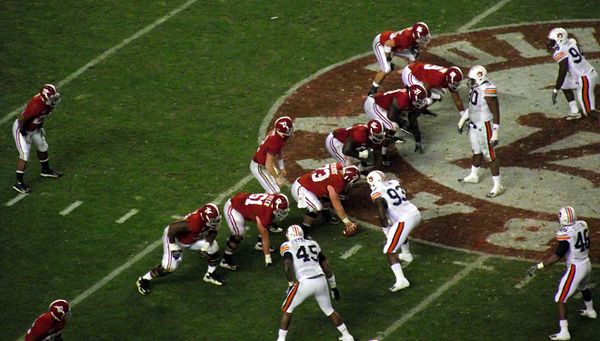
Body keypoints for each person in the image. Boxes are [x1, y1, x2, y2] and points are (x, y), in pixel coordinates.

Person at [527, 206, 596, 340]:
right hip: (586, 262)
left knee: (560, 298)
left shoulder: (566, 233)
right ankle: (590, 311)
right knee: (583, 286)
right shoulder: (583, 224)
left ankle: (564, 332)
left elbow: (557, 256)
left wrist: (539, 266)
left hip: (576, 267)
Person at [276, 225, 354, 341]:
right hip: (321, 280)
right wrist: (333, 286)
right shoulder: (313, 243)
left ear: (288, 235)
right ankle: (347, 336)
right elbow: (325, 266)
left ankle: (281, 339)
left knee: (287, 309)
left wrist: (291, 284)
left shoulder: (286, 245)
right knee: (329, 310)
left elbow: (287, 268)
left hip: (305, 282)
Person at [136, 203, 225, 295]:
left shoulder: (209, 220)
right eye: (213, 220)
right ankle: (144, 279)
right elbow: (172, 229)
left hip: (192, 238)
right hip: (175, 239)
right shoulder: (195, 222)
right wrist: (172, 246)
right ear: (205, 218)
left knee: (213, 247)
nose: (215, 221)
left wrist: (206, 246)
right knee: (169, 267)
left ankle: (210, 275)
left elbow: (213, 231)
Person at [367, 171, 421, 292]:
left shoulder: (377, 192)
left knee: (389, 250)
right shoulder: (394, 182)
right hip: (414, 213)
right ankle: (406, 254)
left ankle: (401, 280)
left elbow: (381, 215)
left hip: (405, 219)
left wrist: (386, 231)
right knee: (398, 230)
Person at [457, 65, 503, 198]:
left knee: (490, 156)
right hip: (474, 124)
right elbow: (472, 107)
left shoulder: (488, 89)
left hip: (484, 125)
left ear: (480, 77)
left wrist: (495, 131)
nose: (469, 81)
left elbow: (496, 111)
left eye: (471, 79)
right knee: (476, 151)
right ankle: (474, 175)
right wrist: (462, 121)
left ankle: (498, 185)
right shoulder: (475, 88)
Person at [12, 84, 62, 194]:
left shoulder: (48, 105)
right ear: (44, 97)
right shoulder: (35, 105)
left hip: (34, 128)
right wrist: (24, 133)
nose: (53, 99)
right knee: (24, 154)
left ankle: (45, 170)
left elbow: (41, 117)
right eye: (51, 98)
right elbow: (22, 120)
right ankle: (19, 183)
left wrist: (40, 127)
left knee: (43, 146)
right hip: (21, 129)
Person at [220, 192, 290, 270]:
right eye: (280, 211)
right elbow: (265, 236)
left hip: (244, 200)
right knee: (239, 233)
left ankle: (259, 244)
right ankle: (225, 260)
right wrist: (268, 260)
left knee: (265, 223)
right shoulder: (266, 212)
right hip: (233, 207)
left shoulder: (276, 200)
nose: (282, 213)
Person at [290, 163, 360, 236]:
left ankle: (325, 215)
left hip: (305, 182)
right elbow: (337, 205)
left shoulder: (338, 166)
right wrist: (346, 221)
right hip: (301, 189)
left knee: (327, 194)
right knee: (317, 207)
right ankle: (304, 228)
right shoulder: (338, 182)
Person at [547, 28, 600, 121]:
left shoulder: (560, 52)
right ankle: (574, 111)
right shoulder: (572, 41)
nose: (550, 43)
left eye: (552, 41)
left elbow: (562, 71)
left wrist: (556, 89)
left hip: (585, 78)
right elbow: (581, 54)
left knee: (588, 111)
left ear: (560, 40)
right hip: (587, 73)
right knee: (565, 83)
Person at [364, 84, 431, 156]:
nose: (420, 103)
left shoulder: (410, 99)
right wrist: (404, 123)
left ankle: (388, 136)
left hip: (387, 107)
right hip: (374, 105)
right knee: (393, 126)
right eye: (418, 101)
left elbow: (413, 119)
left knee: (404, 118)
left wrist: (418, 141)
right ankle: (381, 151)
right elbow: (391, 116)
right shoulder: (403, 99)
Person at [369, 22, 431, 95]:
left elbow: (411, 43)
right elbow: (387, 44)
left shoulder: (414, 33)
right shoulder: (405, 38)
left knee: (413, 56)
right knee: (386, 68)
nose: (424, 39)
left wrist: (413, 49)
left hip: (394, 46)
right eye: (422, 38)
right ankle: (373, 89)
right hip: (381, 44)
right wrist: (388, 58)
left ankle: (411, 80)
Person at [251, 116, 294, 196]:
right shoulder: (275, 141)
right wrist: (276, 178)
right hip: (259, 167)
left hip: (263, 164)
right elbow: (268, 164)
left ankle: (263, 200)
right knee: (275, 191)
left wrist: (281, 167)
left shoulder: (278, 135)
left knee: (276, 186)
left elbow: (279, 150)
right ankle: (256, 203)